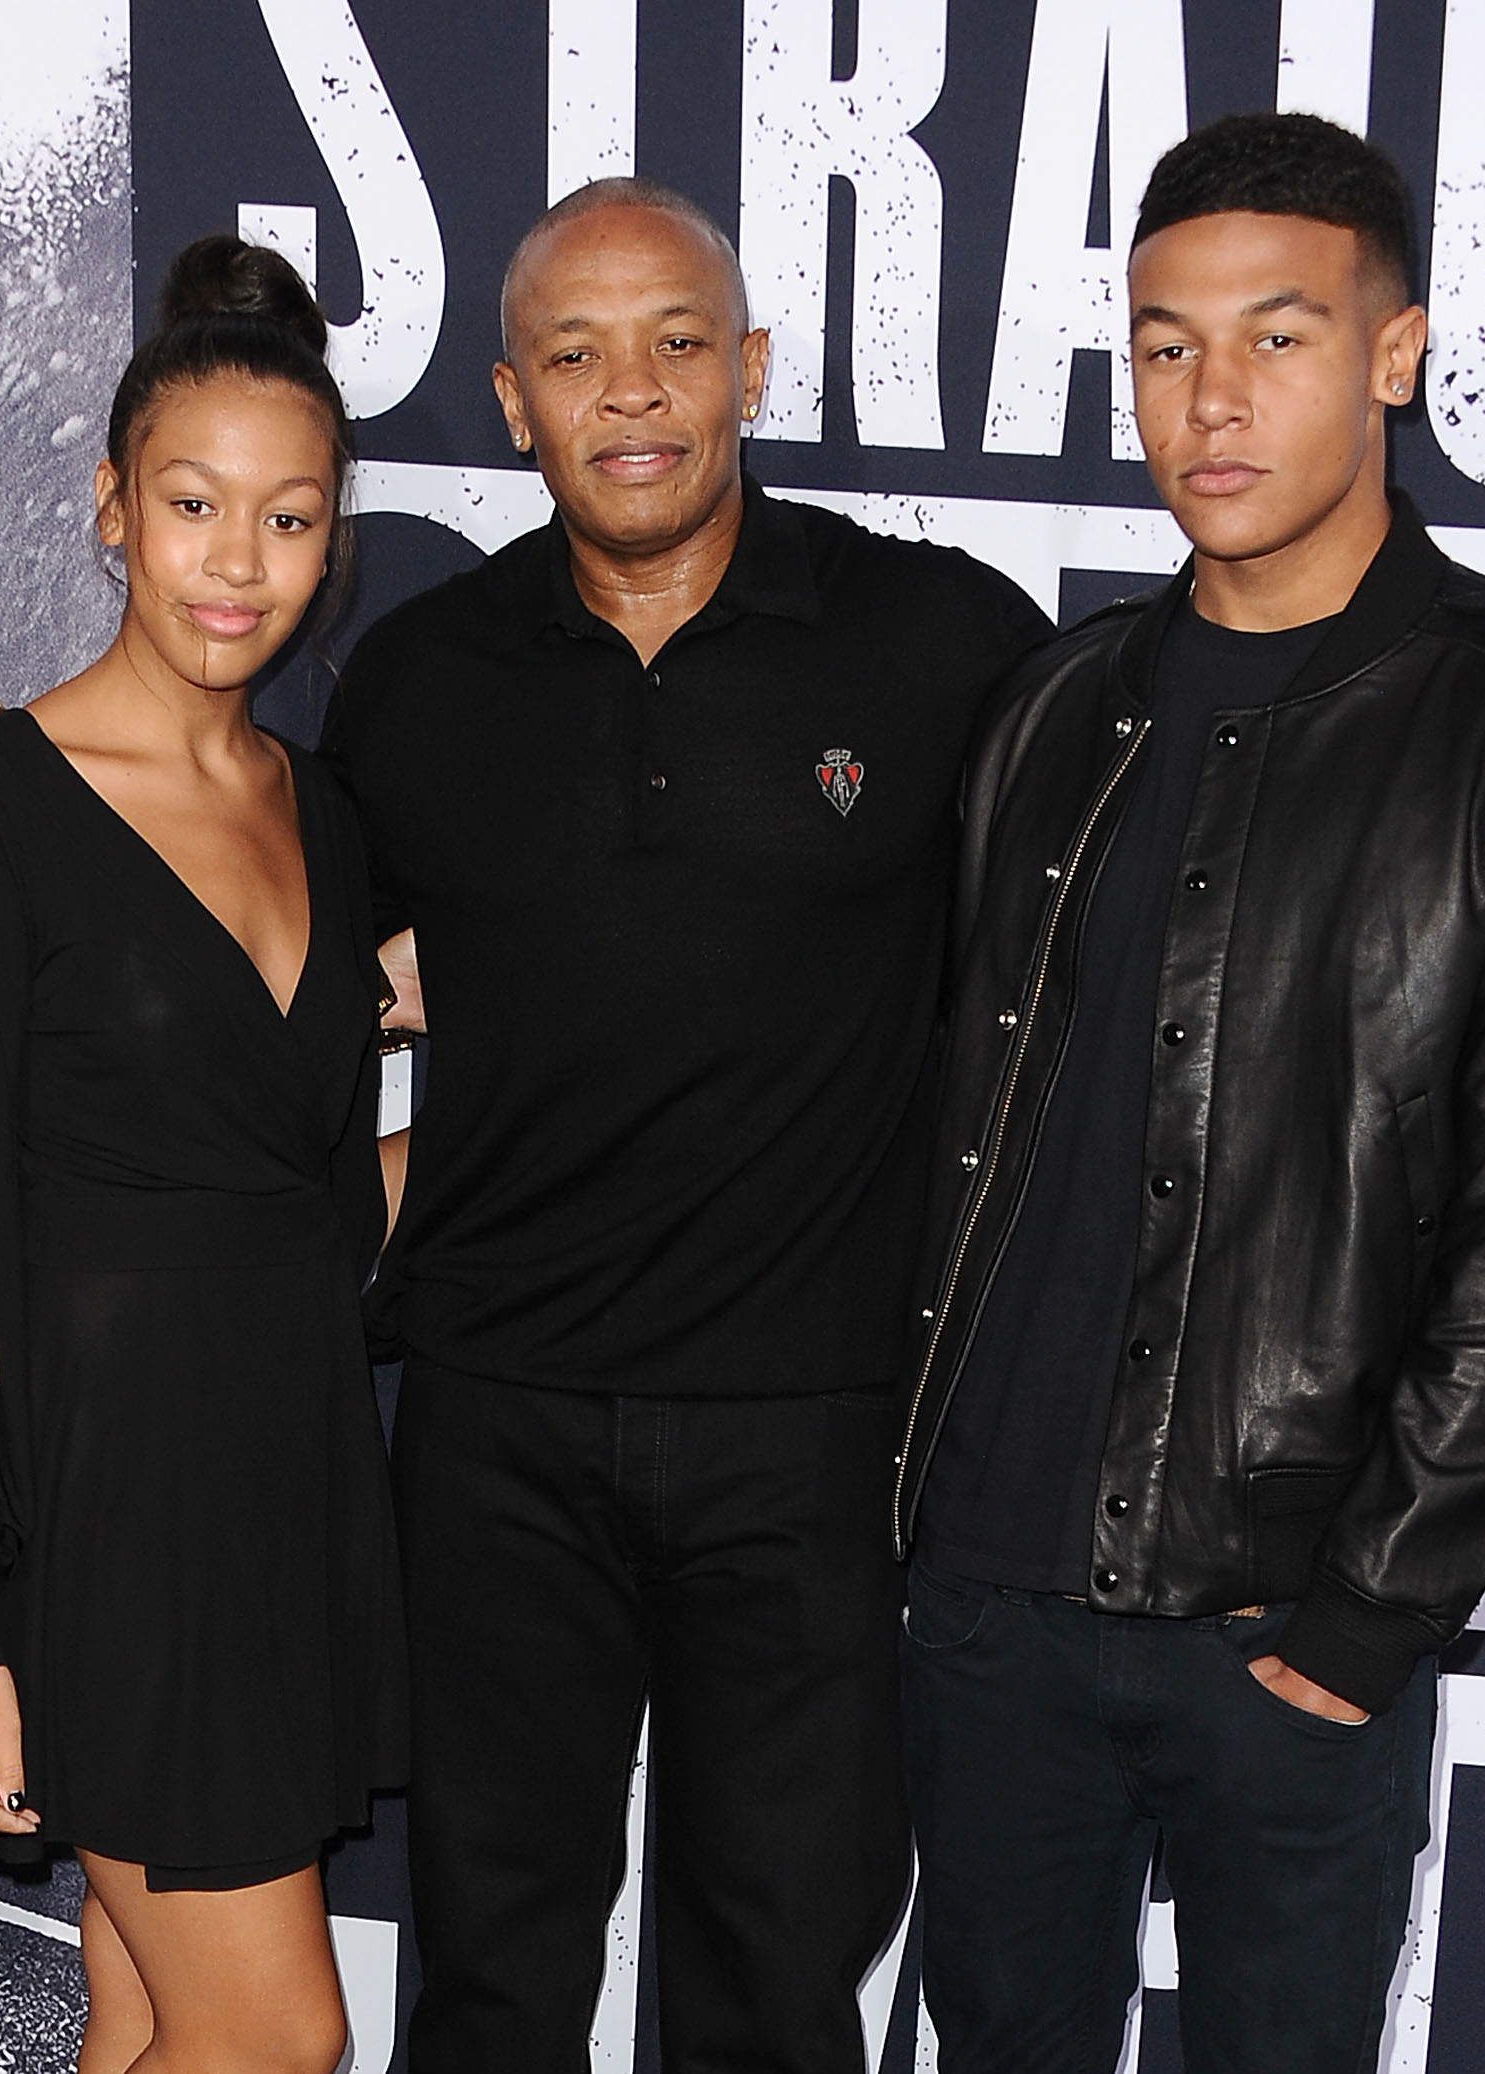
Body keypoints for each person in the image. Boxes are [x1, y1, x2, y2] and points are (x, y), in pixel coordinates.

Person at [894, 112, 1485, 2074]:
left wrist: (1364, 1617)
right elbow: (954, 1130)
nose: (1209, 400)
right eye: (1165, 344)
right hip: (989, 1602)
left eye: (1277, 338)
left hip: (1292, 1625)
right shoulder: (1062, 703)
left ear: (1394, 354)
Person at [319, 177, 1052, 2073]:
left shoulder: (946, 642)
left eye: (673, 345)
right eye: (574, 355)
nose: (628, 394)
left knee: (776, 1989)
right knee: (487, 1981)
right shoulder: (415, 677)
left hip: (813, 1439)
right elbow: (289, 1005)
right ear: (508, 399)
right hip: (494, 1428)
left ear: (752, 371)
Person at [0, 232, 403, 2074]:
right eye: (193, 504)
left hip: (285, 1480)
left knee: (148, 2014)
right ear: (110, 508)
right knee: (278, 2035)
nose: (241, 565)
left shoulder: (322, 808)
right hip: (111, 1499)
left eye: (293, 519)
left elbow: (313, 1199)